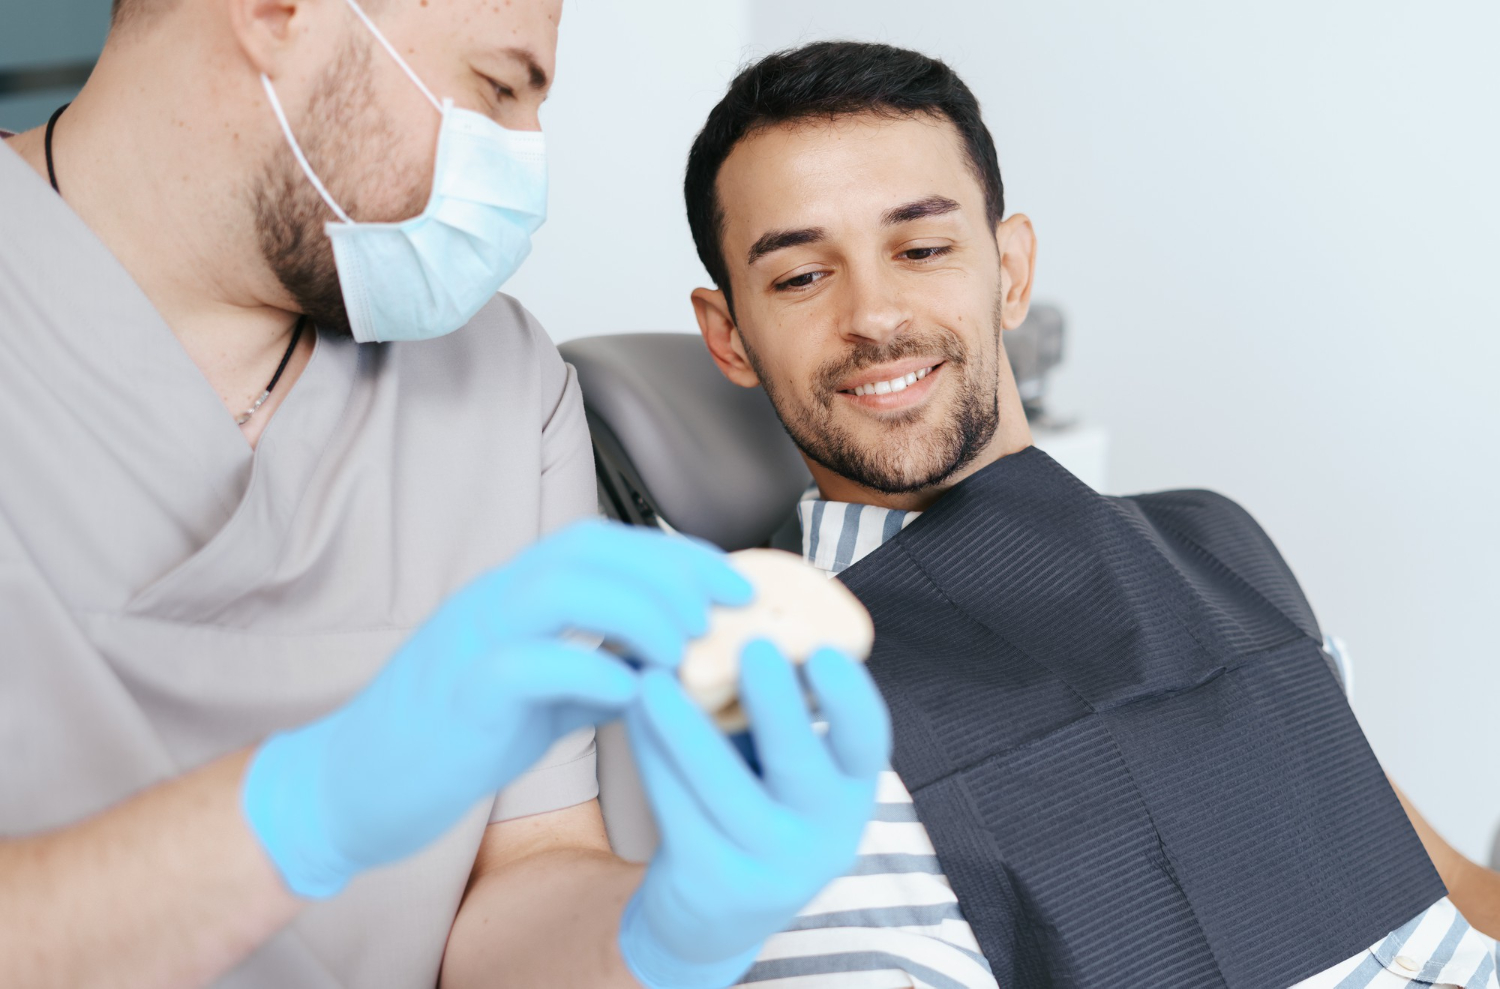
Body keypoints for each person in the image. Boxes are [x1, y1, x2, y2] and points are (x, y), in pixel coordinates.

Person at [0, 2, 892, 987]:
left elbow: (523, 878)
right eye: (499, 87)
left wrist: (659, 931)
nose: (527, 165)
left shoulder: (501, 383)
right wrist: (303, 812)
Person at [681, 41, 1500, 988]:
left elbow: (1440, 890)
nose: (875, 314)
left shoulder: (1213, 544)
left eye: (922, 248)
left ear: (1012, 272)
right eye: (800, 277)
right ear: (729, 336)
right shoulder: (797, 704)